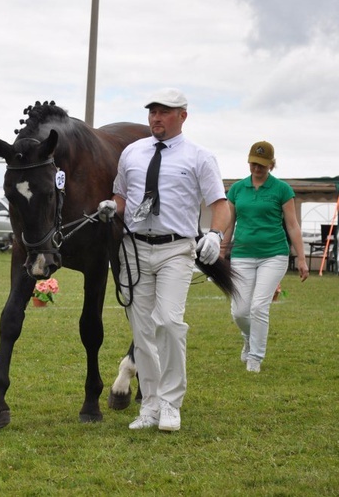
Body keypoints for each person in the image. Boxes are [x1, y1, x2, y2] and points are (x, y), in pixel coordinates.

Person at [97, 88, 230, 432]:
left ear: (182, 116)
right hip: (135, 249)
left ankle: (172, 403)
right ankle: (151, 405)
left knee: (169, 323)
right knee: (141, 330)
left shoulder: (200, 156)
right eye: (153, 111)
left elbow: (220, 204)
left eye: (164, 112)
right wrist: (113, 207)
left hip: (176, 248)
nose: (156, 117)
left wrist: (215, 235)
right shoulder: (131, 153)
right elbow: (121, 195)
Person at [222, 141, 309, 373]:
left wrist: (301, 258)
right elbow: (229, 224)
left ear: (271, 164)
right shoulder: (237, 189)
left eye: (261, 165)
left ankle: (255, 358)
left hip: (274, 255)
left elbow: (292, 225)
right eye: (253, 163)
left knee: (259, 306)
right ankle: (249, 339)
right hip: (242, 254)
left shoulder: (282, 189)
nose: (256, 168)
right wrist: (222, 252)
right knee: (239, 311)